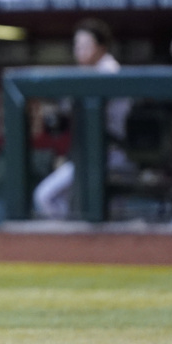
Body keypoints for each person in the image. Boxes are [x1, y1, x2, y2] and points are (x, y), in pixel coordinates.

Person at [33, 18, 132, 220]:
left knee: (45, 197)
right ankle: (77, 243)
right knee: (107, 217)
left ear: (101, 47)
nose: (80, 50)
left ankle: (74, 240)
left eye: (86, 45)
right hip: (93, 154)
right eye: (77, 45)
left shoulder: (109, 70)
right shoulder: (89, 72)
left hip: (112, 153)